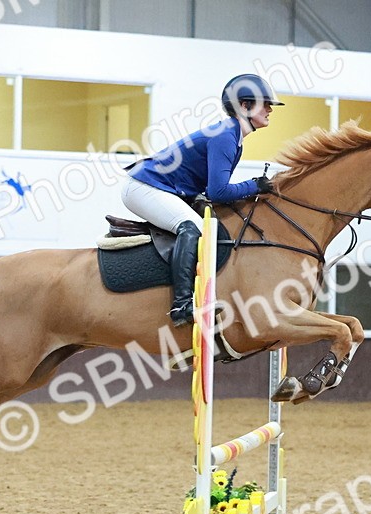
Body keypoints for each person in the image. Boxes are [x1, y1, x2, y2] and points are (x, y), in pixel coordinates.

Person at [121, 73, 282, 326]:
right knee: (192, 227)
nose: (271, 109)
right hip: (144, 187)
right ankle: (182, 306)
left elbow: (211, 190)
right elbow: (218, 192)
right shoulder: (226, 137)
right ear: (244, 106)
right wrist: (255, 185)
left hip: (160, 187)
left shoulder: (232, 136)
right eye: (265, 103)